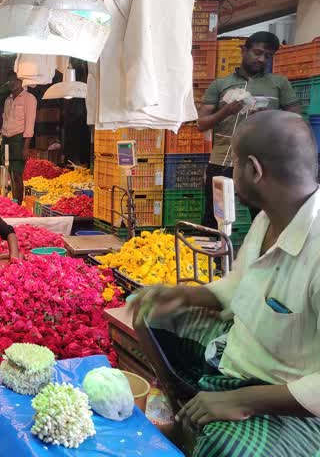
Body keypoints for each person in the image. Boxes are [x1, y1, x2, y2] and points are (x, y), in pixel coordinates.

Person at [131, 111, 320, 457]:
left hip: (292, 401)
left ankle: (214, 423)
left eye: (232, 162)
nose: (230, 171)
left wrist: (244, 400)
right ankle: (194, 413)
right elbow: (241, 285)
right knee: (151, 315)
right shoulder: (268, 220)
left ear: (253, 170)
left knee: (226, 447)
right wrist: (183, 295)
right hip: (238, 353)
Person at [197, 31, 302, 228]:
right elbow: (201, 124)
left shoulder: (278, 84)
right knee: (214, 218)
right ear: (244, 50)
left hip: (263, 164)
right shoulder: (221, 85)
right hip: (222, 162)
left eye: (268, 55)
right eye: (257, 52)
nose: (261, 59)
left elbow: (296, 120)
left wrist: (268, 117)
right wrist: (226, 111)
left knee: (264, 221)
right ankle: (214, 259)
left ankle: (260, 258)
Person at [0, 71, 37, 204]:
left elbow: (30, 124)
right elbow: (5, 120)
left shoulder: (29, 98)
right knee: (6, 171)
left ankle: (17, 204)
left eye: (15, 80)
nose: (12, 83)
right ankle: (12, 200)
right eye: (9, 81)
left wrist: (26, 147)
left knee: (17, 174)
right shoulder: (8, 100)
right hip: (6, 138)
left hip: (19, 140)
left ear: (22, 81)